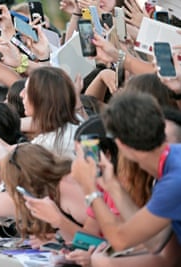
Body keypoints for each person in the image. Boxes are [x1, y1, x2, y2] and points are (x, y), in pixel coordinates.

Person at [72, 92, 181, 254]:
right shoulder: (172, 160)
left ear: (120, 144)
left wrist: (90, 189)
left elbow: (120, 240)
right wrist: (112, 186)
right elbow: (155, 242)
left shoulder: (174, 180)